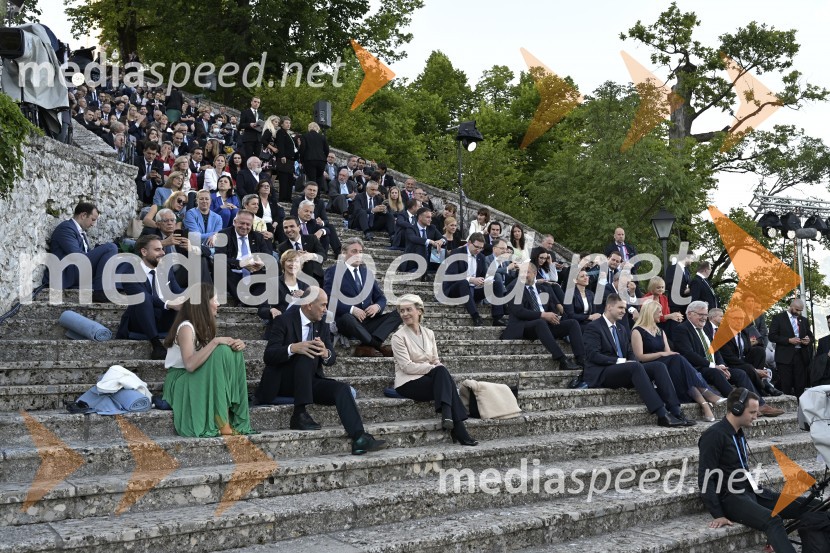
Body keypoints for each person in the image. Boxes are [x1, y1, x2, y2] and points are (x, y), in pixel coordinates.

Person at [257, 287, 386, 455]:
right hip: (283, 381)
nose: (326, 309)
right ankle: (299, 414)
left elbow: (332, 360)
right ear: (309, 305)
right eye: (323, 305)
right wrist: (294, 348)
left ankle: (359, 437)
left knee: (342, 389)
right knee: (305, 352)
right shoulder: (284, 321)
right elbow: (269, 356)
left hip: (309, 380)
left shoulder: (322, 324)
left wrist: (326, 353)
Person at [698, 388, 813, 553]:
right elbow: (705, 477)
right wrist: (718, 513)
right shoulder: (714, 435)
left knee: (812, 505)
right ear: (736, 410)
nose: (756, 415)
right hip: (731, 498)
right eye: (752, 412)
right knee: (773, 520)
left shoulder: (738, 432)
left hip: (752, 492)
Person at [582, 294, 694, 428]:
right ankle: (662, 414)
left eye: (625, 308)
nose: (624, 311)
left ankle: (676, 411)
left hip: (622, 370)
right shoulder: (594, 327)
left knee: (657, 366)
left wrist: (630, 361)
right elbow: (593, 355)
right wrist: (622, 362)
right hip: (601, 372)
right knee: (634, 367)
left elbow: (630, 352)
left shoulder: (621, 328)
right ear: (609, 307)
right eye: (620, 307)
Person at [162, 282, 252, 437]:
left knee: (232, 351)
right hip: (180, 380)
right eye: (215, 300)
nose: (218, 304)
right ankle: (222, 421)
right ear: (204, 303)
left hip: (195, 375)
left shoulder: (204, 326)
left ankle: (228, 416)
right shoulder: (186, 328)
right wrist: (215, 341)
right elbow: (189, 365)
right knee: (221, 349)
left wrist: (236, 344)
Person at [391, 294, 478, 446]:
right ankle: (456, 425)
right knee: (442, 374)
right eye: (401, 311)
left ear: (419, 311)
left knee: (442, 371)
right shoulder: (398, 337)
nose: (404, 314)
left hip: (430, 379)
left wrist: (437, 366)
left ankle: (449, 417)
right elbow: (407, 367)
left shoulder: (429, 333)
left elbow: (435, 359)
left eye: (408, 310)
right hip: (408, 383)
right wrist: (433, 368)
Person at [673, 301, 784, 417]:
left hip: (714, 366)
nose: (704, 318)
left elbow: (716, 350)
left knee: (740, 373)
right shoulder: (682, 330)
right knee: (716, 373)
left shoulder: (705, 329)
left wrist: (721, 365)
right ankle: (743, 407)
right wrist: (713, 366)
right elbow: (688, 354)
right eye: (700, 314)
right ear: (689, 314)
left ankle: (760, 405)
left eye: (705, 315)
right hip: (697, 368)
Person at [632, 301, 724, 421]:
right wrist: (661, 354)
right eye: (659, 312)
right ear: (650, 313)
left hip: (665, 364)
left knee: (680, 366)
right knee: (678, 360)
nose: (661, 315)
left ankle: (705, 405)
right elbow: (640, 357)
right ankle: (706, 395)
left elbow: (669, 353)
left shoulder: (660, 331)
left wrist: (665, 354)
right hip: (650, 366)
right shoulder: (637, 331)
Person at [323, 238, 402, 357]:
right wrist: (351, 309)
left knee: (401, 312)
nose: (358, 255)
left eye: (360, 252)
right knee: (347, 318)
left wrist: (377, 306)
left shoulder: (367, 273)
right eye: (354, 251)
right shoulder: (333, 271)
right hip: (347, 322)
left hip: (368, 320)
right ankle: (377, 345)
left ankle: (364, 347)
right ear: (343, 253)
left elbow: (381, 297)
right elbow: (329, 298)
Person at [502, 264, 584, 370]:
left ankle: (582, 359)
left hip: (545, 326)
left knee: (572, 323)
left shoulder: (543, 288)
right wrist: (542, 315)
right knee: (539, 322)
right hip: (524, 326)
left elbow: (551, 308)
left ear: (535, 273)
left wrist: (553, 316)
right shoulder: (514, 288)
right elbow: (519, 311)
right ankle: (562, 359)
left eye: (527, 272)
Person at [115, 235, 185, 359]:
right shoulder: (129, 273)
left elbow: (178, 292)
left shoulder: (165, 270)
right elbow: (144, 297)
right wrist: (168, 304)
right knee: (143, 298)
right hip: (140, 321)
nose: (163, 253)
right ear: (144, 252)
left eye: (162, 249)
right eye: (157, 250)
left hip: (164, 318)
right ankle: (157, 346)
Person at [47, 202, 118, 302]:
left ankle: (113, 287)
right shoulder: (66, 228)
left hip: (79, 271)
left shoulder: (80, 232)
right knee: (111, 247)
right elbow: (78, 257)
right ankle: (101, 291)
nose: (93, 224)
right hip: (69, 273)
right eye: (93, 220)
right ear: (83, 215)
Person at [442, 232, 506, 326]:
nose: (478, 250)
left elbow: (484, 274)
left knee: (496, 282)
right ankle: (475, 316)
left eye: (481, 248)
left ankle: (498, 317)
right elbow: (453, 275)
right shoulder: (456, 253)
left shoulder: (481, 257)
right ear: (469, 243)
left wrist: (484, 281)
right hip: (454, 289)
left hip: (473, 291)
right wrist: (471, 279)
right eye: (476, 247)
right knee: (464, 282)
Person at [213, 210, 272, 304]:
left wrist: (262, 264)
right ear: (235, 222)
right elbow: (219, 257)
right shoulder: (224, 234)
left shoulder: (257, 237)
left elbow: (268, 256)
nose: (245, 227)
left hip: (254, 273)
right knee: (219, 265)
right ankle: (243, 299)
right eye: (242, 223)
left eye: (248, 224)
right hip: (233, 274)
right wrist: (240, 263)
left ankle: (254, 300)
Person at [769, 298, 814, 397]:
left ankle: (800, 406)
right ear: (791, 307)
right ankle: (788, 407)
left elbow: (811, 336)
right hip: (784, 356)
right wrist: (788, 340)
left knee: (800, 384)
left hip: (801, 355)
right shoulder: (778, 318)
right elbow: (772, 336)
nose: (799, 312)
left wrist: (808, 340)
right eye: (797, 310)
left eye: (801, 310)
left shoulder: (804, 320)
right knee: (786, 384)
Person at [257, 249, 310, 322]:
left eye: (296, 261)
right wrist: (271, 310)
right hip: (281, 323)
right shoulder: (273, 282)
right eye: (289, 260)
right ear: (283, 263)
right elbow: (262, 310)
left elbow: (312, 307)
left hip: (299, 324)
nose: (293, 264)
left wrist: (305, 296)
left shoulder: (305, 284)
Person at [278, 216, 326, 286]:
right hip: (295, 279)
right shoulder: (282, 247)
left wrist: (310, 256)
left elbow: (323, 256)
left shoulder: (311, 238)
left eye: (292, 226)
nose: (288, 230)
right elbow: (283, 266)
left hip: (315, 277)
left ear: (299, 227)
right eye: (285, 227)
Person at [403, 207, 445, 275]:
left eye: (431, 217)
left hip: (429, 260)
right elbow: (413, 238)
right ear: (420, 217)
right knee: (421, 245)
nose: (430, 220)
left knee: (441, 245)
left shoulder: (432, 228)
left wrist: (441, 241)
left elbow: (443, 238)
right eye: (428, 217)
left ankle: (438, 271)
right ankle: (422, 271)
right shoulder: (410, 228)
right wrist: (429, 241)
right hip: (413, 261)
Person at [274, 116, 298, 202]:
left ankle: (288, 197)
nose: (288, 125)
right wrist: (282, 155)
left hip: (290, 160)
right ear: (282, 124)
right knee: (284, 179)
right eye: (286, 123)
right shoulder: (280, 132)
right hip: (284, 159)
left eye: (289, 123)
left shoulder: (288, 133)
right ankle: (283, 197)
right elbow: (280, 144)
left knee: (289, 179)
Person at [300, 122, 329, 187]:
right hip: (321, 161)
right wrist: (324, 158)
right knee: (319, 178)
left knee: (312, 179)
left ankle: (312, 194)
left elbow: (302, 149)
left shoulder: (304, 136)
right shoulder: (322, 137)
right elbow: (327, 150)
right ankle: (317, 195)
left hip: (309, 160)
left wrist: (301, 160)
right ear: (317, 128)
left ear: (309, 128)